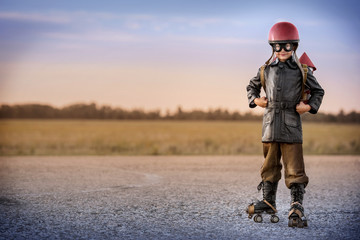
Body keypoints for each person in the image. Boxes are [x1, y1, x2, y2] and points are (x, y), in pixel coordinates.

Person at [245, 22, 324, 228]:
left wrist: (308, 107)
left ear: (294, 47)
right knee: (269, 166)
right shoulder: (265, 70)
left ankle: (296, 205)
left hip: (291, 128)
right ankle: (268, 201)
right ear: (272, 47)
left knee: (295, 169)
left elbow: (318, 92)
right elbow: (251, 87)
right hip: (270, 128)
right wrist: (255, 100)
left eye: (287, 46)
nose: (281, 50)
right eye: (277, 46)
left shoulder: (302, 71)